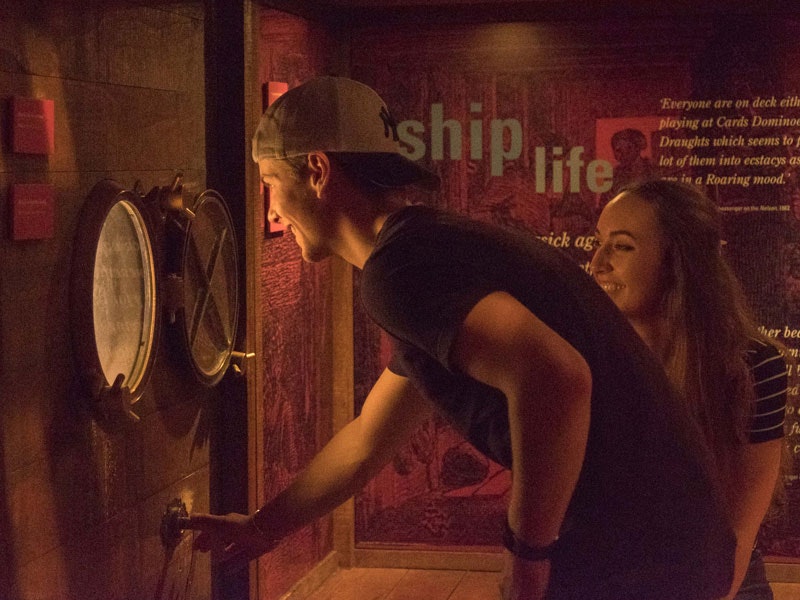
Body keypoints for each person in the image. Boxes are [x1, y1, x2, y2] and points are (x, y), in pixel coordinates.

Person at [186, 76, 737, 600]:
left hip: (639, 553)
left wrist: (526, 555)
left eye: (270, 183)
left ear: (317, 171)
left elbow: (558, 379)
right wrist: (264, 528)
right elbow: (368, 438)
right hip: (672, 540)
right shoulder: (426, 248)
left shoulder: (399, 269)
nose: (273, 207)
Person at [591, 179, 788, 600]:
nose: (597, 262)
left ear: (679, 261)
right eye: (599, 242)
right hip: (613, 568)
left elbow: (739, 526)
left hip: (718, 570)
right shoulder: (585, 357)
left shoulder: (754, 364)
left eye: (621, 246)